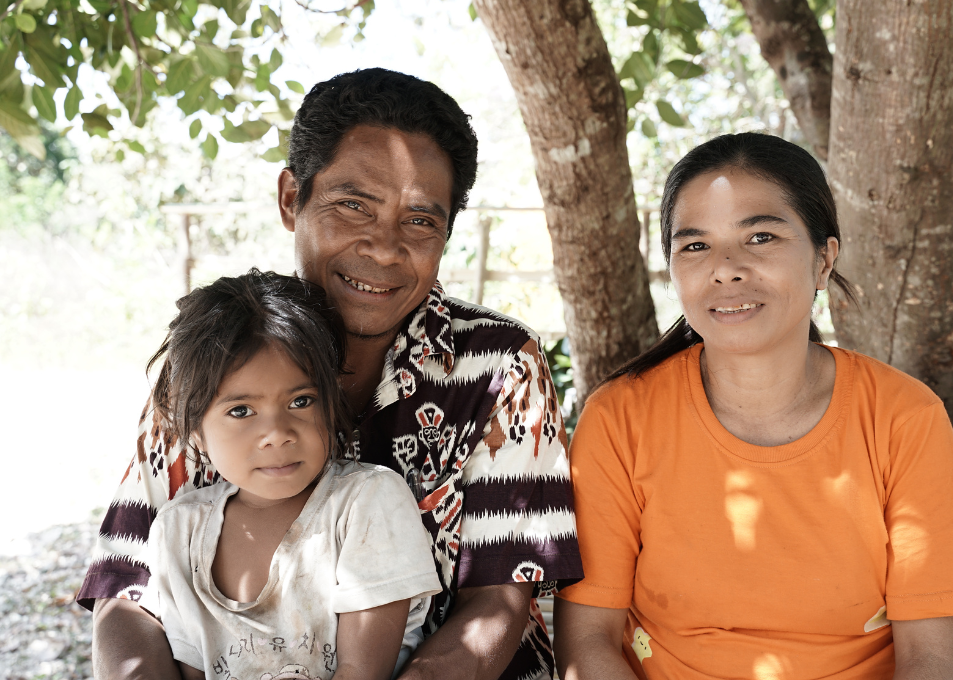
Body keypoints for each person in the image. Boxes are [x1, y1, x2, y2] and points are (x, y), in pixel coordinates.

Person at [80, 68, 583, 680]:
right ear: (293, 197)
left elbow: (502, 598)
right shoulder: (211, 362)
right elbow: (129, 591)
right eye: (353, 206)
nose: (384, 248)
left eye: (421, 221)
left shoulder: (498, 366)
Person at [553, 133, 953, 680]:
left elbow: (930, 661)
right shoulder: (620, 419)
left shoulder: (904, 417)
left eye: (760, 236)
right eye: (695, 245)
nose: (726, 268)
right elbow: (587, 646)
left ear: (823, 258)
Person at [143, 269, 441, 680]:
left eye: (301, 401)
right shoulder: (178, 532)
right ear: (194, 428)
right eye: (241, 411)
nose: (277, 435)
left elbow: (361, 673)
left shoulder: (367, 503)